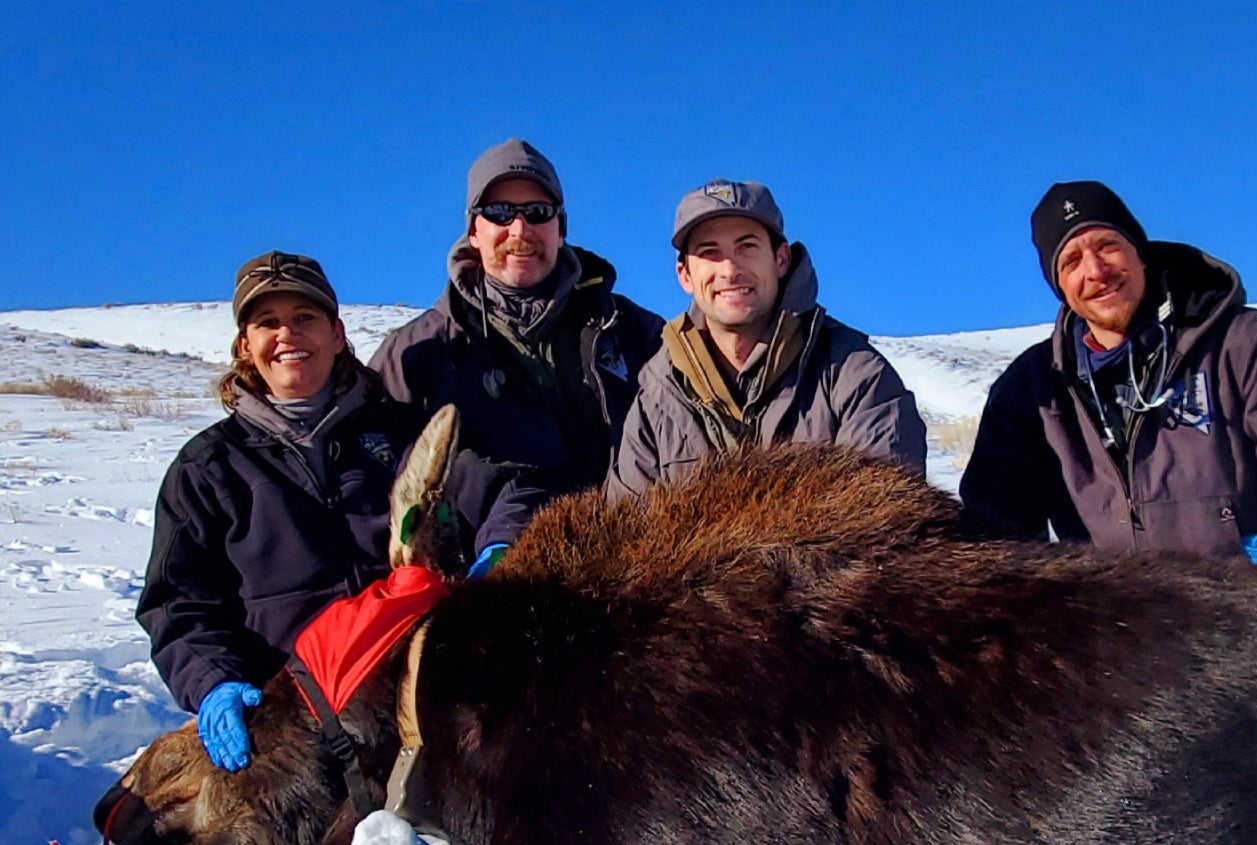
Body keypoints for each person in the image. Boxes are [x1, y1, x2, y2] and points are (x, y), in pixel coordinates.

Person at [138, 251, 545, 771]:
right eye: (268, 322)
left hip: (424, 701)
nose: (287, 335)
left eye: (304, 318)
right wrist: (214, 682)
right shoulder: (207, 468)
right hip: (288, 718)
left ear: (336, 333)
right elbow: (178, 603)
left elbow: (507, 489)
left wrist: (499, 551)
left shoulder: (403, 435)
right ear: (245, 345)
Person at [960, 181, 1257, 603]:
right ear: (1059, 285)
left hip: (1255, 627)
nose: (1095, 270)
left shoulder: (1250, 348)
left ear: (1139, 252)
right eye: (1071, 260)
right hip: (1111, 640)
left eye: (1108, 245)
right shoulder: (1032, 391)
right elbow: (995, 526)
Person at [371, 138, 663, 495]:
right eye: (499, 213)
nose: (520, 231)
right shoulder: (414, 354)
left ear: (561, 229)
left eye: (538, 212)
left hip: (632, 542)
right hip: (488, 549)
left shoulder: (633, 331)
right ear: (474, 232)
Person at [608, 179, 926, 500]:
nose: (730, 270)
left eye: (746, 247)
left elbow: (884, 523)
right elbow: (627, 534)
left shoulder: (855, 374)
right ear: (685, 275)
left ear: (781, 259)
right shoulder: (656, 400)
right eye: (709, 252)